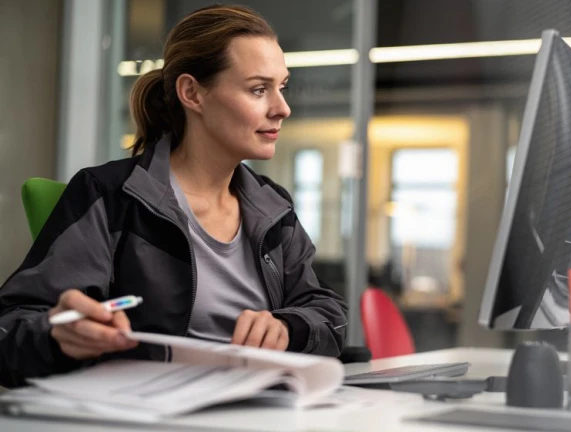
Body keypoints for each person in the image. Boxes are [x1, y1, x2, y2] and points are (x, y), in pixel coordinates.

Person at [0, 5, 347, 388]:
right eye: (258, 89)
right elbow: (11, 327)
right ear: (192, 93)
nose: (282, 108)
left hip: (259, 408)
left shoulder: (272, 205)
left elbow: (329, 314)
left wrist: (287, 327)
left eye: (281, 87)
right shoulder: (109, 195)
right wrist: (57, 336)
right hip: (145, 413)